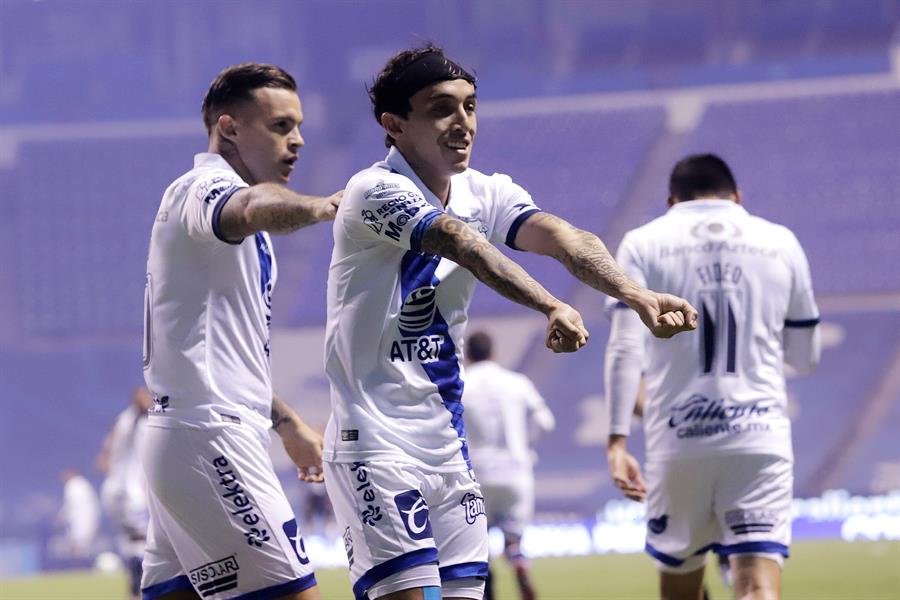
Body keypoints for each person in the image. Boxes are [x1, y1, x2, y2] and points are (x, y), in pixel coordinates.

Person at [323, 44, 698, 600]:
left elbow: (565, 238)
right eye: (441, 108)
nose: (463, 122)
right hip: (375, 441)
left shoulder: (486, 190)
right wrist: (550, 305)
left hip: (447, 444)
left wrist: (634, 293)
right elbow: (460, 242)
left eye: (470, 106)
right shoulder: (373, 190)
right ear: (394, 125)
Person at [141, 63, 341, 600]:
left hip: (189, 435)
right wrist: (324, 207)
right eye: (280, 126)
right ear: (228, 128)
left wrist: (286, 423)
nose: (297, 141)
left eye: (298, 127)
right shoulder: (204, 188)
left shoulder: (223, 219)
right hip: (210, 437)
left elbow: (221, 352)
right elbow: (252, 206)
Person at [604, 154, 821, 600]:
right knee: (757, 586)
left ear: (671, 202)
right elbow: (805, 358)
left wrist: (617, 441)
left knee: (680, 591)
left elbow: (625, 347)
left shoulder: (642, 243)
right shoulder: (781, 241)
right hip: (759, 436)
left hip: (679, 438)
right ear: (737, 197)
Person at [462, 331, 555, 600]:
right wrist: (525, 444)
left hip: (477, 472)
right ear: (493, 352)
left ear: (467, 354)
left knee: (478, 543)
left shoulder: (462, 384)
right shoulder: (517, 382)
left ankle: (486, 590)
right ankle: (518, 560)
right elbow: (545, 422)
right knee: (514, 538)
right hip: (516, 470)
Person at [97, 386, 153, 600]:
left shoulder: (125, 419)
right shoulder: (138, 420)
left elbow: (109, 445)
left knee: (132, 541)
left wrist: (105, 456)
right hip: (131, 491)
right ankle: (139, 588)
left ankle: (133, 591)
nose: (147, 400)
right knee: (142, 539)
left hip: (115, 489)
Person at [57, 469, 101, 558]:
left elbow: (70, 506)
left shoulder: (72, 485)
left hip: (79, 522)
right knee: (83, 547)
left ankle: (78, 562)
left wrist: (61, 518)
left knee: (78, 547)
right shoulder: (85, 484)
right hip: (88, 521)